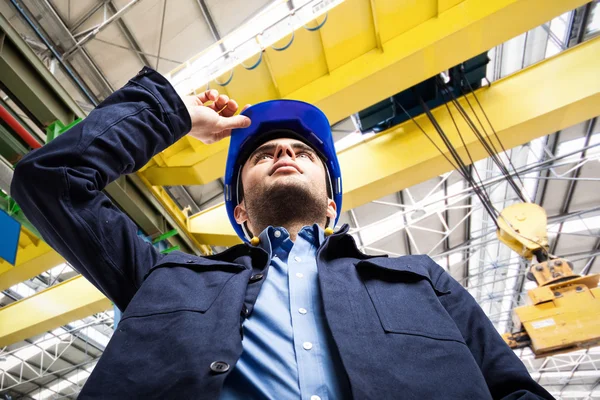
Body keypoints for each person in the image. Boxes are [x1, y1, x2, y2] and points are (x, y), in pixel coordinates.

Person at [11, 67, 554, 400]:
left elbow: (512, 390)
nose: (284, 153)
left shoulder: (418, 279)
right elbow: (51, 182)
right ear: (240, 209)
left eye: (302, 152)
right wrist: (172, 114)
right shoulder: (164, 278)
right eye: (264, 153)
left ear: (332, 204)